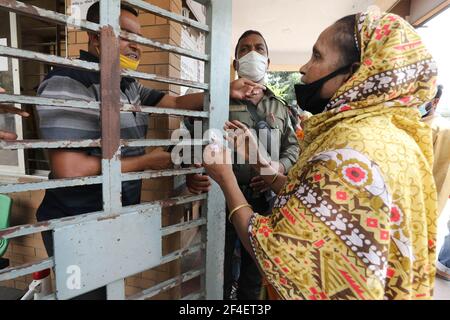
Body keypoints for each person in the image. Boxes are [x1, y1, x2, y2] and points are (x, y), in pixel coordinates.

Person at [203, 11, 438, 300]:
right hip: (227, 211)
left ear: (355, 72)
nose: (303, 68)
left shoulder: (351, 149)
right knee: (220, 271)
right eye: (245, 50)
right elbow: (314, 197)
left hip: (258, 207)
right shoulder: (389, 134)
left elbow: (281, 255)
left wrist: (227, 178)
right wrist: (261, 164)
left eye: (316, 56)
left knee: (252, 280)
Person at [34, 3, 261, 299]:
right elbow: (70, 169)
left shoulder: (127, 86)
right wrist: (147, 160)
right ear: (95, 37)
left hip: (116, 217)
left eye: (139, 38)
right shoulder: (68, 81)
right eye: (125, 34)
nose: (136, 46)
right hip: (77, 225)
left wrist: (224, 90)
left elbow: (177, 103)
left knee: (110, 291)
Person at [186, 30, 299, 300]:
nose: (253, 54)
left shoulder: (280, 106)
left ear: (268, 61)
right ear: (236, 63)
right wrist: (192, 173)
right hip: (220, 200)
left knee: (255, 271)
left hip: (265, 201)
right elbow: (192, 141)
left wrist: (277, 169)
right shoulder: (217, 101)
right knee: (217, 269)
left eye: (259, 48)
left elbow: (293, 146)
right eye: (245, 49)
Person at [421, 85, 450, 281]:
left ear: (435, 101)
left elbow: (441, 173)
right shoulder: (406, 123)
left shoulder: (442, 129)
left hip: (425, 195)